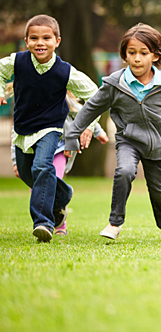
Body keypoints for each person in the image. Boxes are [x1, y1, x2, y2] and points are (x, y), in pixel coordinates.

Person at [64, 23, 161, 242]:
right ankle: (114, 223)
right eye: (132, 53)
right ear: (125, 56)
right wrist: (72, 135)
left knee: (158, 190)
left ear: (155, 56)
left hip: (157, 143)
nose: (137, 58)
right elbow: (91, 108)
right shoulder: (114, 84)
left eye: (143, 53)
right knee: (125, 172)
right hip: (128, 140)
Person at [0, 14, 99, 243]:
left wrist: (88, 126)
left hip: (50, 128)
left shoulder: (65, 71)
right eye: (34, 38)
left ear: (58, 41)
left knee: (42, 166)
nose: (40, 43)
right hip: (22, 128)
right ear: (26, 41)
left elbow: (95, 95)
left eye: (46, 37)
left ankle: (44, 222)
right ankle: (64, 193)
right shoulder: (17, 61)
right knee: (28, 174)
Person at [9, 91, 109, 235]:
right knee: (37, 187)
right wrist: (15, 160)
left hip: (60, 148)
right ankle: (61, 198)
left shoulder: (63, 97)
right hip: (35, 147)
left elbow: (84, 113)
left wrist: (98, 131)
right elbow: (17, 132)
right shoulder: (27, 102)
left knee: (50, 182)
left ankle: (59, 225)